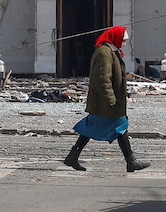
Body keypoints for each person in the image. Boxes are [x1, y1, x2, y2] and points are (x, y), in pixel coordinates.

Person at [63, 25, 150, 172]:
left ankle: (73, 156)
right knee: (119, 127)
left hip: (107, 101)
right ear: (116, 38)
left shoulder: (111, 52)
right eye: (123, 40)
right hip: (105, 101)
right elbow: (103, 78)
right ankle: (131, 161)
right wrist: (110, 99)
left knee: (98, 128)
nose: (124, 43)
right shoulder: (105, 53)